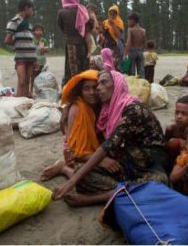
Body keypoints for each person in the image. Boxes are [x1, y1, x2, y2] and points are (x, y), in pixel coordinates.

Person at [52, 70, 168, 207]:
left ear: (117, 85)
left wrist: (71, 182)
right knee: (81, 172)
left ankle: (93, 199)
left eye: (103, 83)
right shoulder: (108, 109)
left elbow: (108, 145)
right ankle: (123, 190)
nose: (97, 89)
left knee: (156, 185)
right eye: (97, 84)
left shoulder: (133, 109)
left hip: (150, 168)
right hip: (128, 165)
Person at [41, 70, 100, 184]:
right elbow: (76, 150)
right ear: (80, 91)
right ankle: (63, 168)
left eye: (95, 87)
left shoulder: (96, 105)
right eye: (86, 88)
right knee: (87, 180)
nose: (92, 92)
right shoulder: (77, 108)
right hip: (75, 155)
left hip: (90, 152)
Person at [57, 0, 90, 87]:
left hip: (70, 43)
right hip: (83, 44)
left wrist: (68, 34)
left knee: (72, 70)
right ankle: (85, 90)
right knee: (84, 68)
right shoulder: (82, 10)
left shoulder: (62, 13)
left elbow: (61, 27)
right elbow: (89, 27)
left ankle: (73, 92)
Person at [5, 0, 36, 97]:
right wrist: (18, 44)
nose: (32, 12)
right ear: (26, 8)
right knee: (22, 81)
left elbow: (31, 40)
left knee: (27, 81)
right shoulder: (14, 21)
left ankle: (25, 101)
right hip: (21, 57)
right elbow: (7, 40)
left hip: (31, 57)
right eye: (31, 9)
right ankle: (19, 99)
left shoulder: (29, 24)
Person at [165, 95, 188, 167]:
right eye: (177, 112)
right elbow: (164, 146)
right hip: (172, 159)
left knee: (175, 142)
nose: (179, 116)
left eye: (184, 114)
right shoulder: (171, 129)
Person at [124, 12, 146, 78]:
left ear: (133, 20)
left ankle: (132, 85)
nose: (128, 23)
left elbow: (129, 42)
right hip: (140, 51)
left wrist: (125, 53)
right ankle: (142, 83)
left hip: (132, 52)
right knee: (141, 71)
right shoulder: (143, 30)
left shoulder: (130, 30)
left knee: (131, 71)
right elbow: (144, 42)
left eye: (128, 21)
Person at [31, 24, 49, 93]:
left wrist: (45, 49)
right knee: (33, 76)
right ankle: (31, 90)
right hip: (34, 61)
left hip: (42, 61)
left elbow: (47, 50)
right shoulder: (32, 40)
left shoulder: (44, 40)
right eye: (37, 30)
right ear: (33, 32)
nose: (39, 32)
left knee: (41, 77)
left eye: (40, 30)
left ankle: (39, 90)